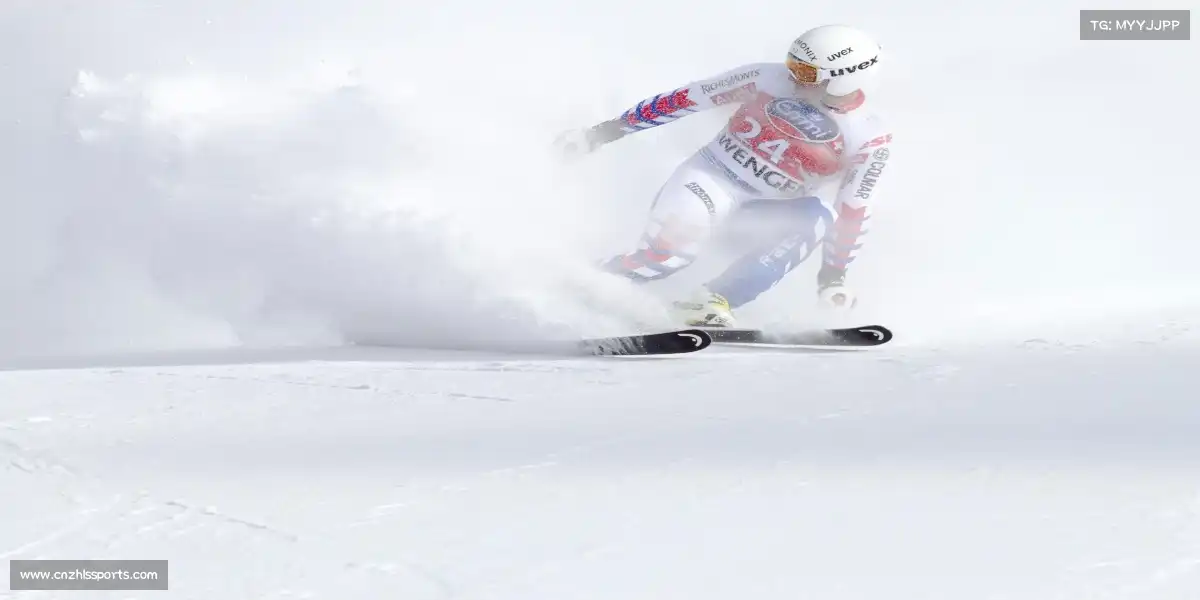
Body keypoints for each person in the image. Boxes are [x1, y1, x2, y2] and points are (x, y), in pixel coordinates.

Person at [555, 24, 894, 327]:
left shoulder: (868, 136)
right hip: (709, 181)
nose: (792, 77)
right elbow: (686, 99)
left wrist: (833, 278)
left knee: (818, 215)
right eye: (791, 64)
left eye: (804, 72)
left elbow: (854, 209)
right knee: (668, 259)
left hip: (760, 215)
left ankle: (710, 302)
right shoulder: (765, 78)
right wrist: (600, 134)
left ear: (845, 77)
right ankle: (577, 282)